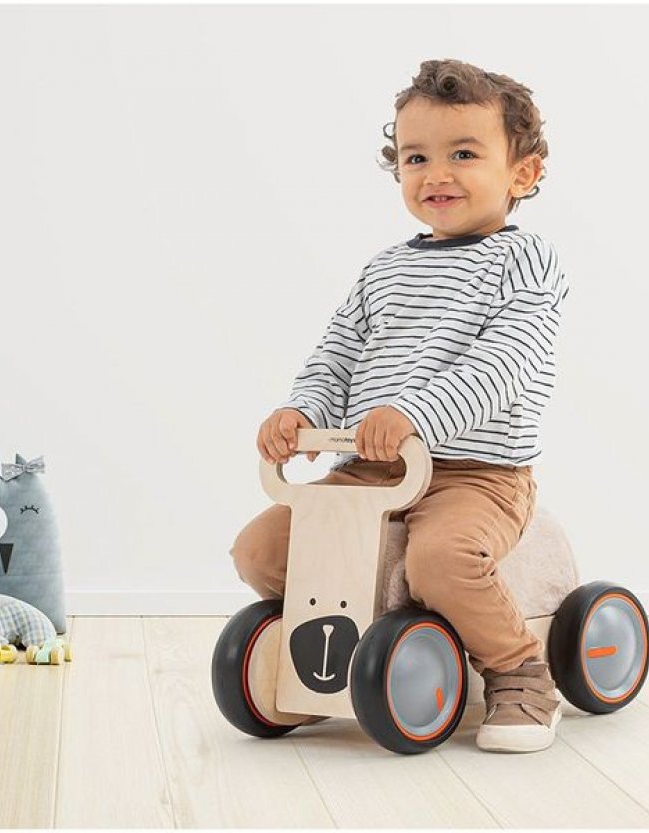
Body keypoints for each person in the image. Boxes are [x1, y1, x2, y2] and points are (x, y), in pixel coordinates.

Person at [230, 58, 570, 753]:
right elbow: (336, 355)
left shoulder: (526, 262)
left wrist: (416, 416)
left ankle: (519, 671)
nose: (436, 173)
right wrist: (302, 414)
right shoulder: (384, 270)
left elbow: (502, 366)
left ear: (522, 173)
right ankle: (322, 664)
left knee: (440, 559)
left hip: (474, 474)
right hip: (370, 470)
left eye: (463, 154)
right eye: (417, 157)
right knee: (260, 549)